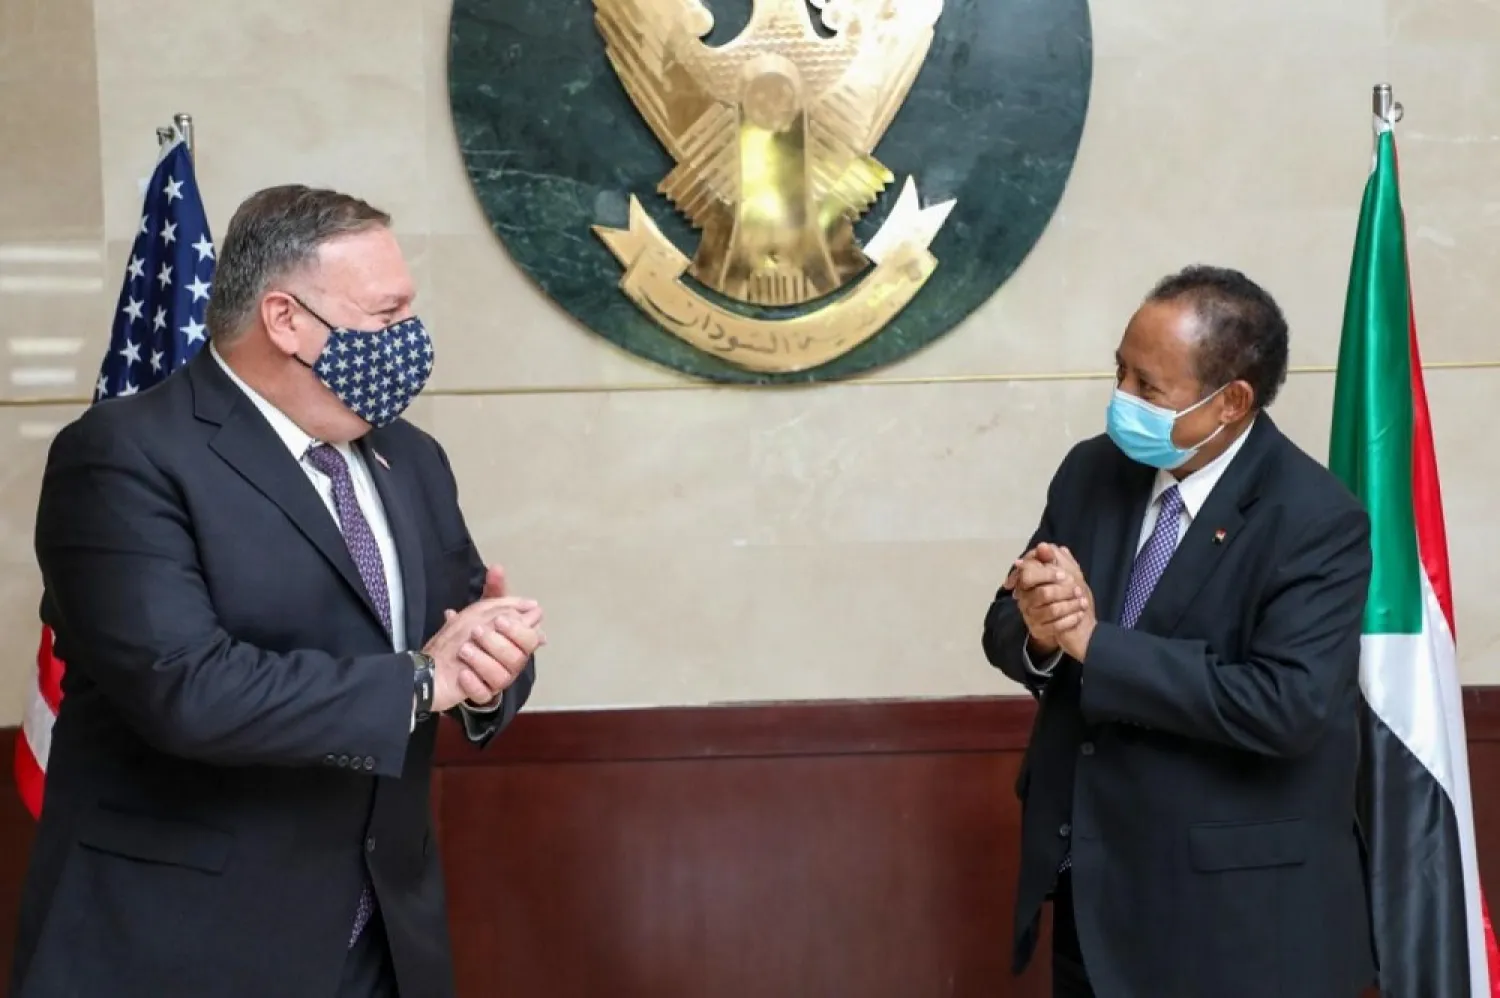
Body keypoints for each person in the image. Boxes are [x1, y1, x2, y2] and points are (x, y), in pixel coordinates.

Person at [11, 185, 540, 998]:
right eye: (386, 314)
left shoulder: (413, 458)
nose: (409, 339)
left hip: (383, 941)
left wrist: (488, 669)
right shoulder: (124, 456)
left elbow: (455, 636)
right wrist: (426, 681)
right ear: (285, 319)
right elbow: (186, 689)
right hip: (184, 946)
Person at [982, 265, 1376, 998]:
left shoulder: (1315, 518)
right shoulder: (1092, 471)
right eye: (1119, 372)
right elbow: (1011, 623)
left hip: (1234, 925)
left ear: (1230, 402)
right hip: (1091, 893)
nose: (1120, 401)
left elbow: (1285, 706)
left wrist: (1094, 642)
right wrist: (1038, 631)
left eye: (1147, 387)